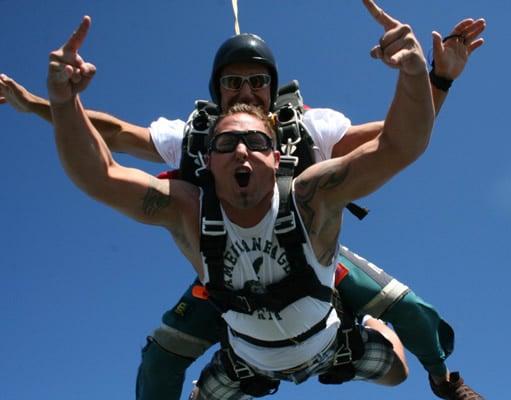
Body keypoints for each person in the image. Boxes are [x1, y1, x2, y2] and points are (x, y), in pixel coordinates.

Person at [2, 9, 486, 400]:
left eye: (257, 82)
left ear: (278, 153)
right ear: (207, 156)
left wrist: (429, 79)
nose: (246, 93)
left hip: (313, 257)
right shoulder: (189, 162)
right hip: (226, 289)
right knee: (160, 357)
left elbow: (396, 141)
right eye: (233, 83)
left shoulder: (312, 166)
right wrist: (54, 104)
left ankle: (443, 381)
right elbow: (108, 148)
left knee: (411, 315)